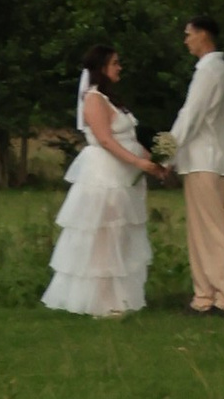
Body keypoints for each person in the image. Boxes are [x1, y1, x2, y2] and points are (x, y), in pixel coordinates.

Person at [41, 42, 164, 316]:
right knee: (104, 239)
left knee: (119, 238)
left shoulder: (113, 101)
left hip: (124, 177)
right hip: (104, 177)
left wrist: (154, 163)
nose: (119, 68)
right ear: (102, 69)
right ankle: (102, 301)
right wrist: (137, 162)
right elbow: (106, 140)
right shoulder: (94, 99)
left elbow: (127, 138)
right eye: (115, 63)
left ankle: (118, 299)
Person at [168, 13, 224, 314]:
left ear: (203, 35)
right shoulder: (217, 70)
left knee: (212, 230)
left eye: (189, 34)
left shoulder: (210, 71)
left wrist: (164, 153)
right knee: (200, 231)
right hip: (203, 160)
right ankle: (204, 297)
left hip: (206, 160)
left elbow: (190, 116)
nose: (186, 40)